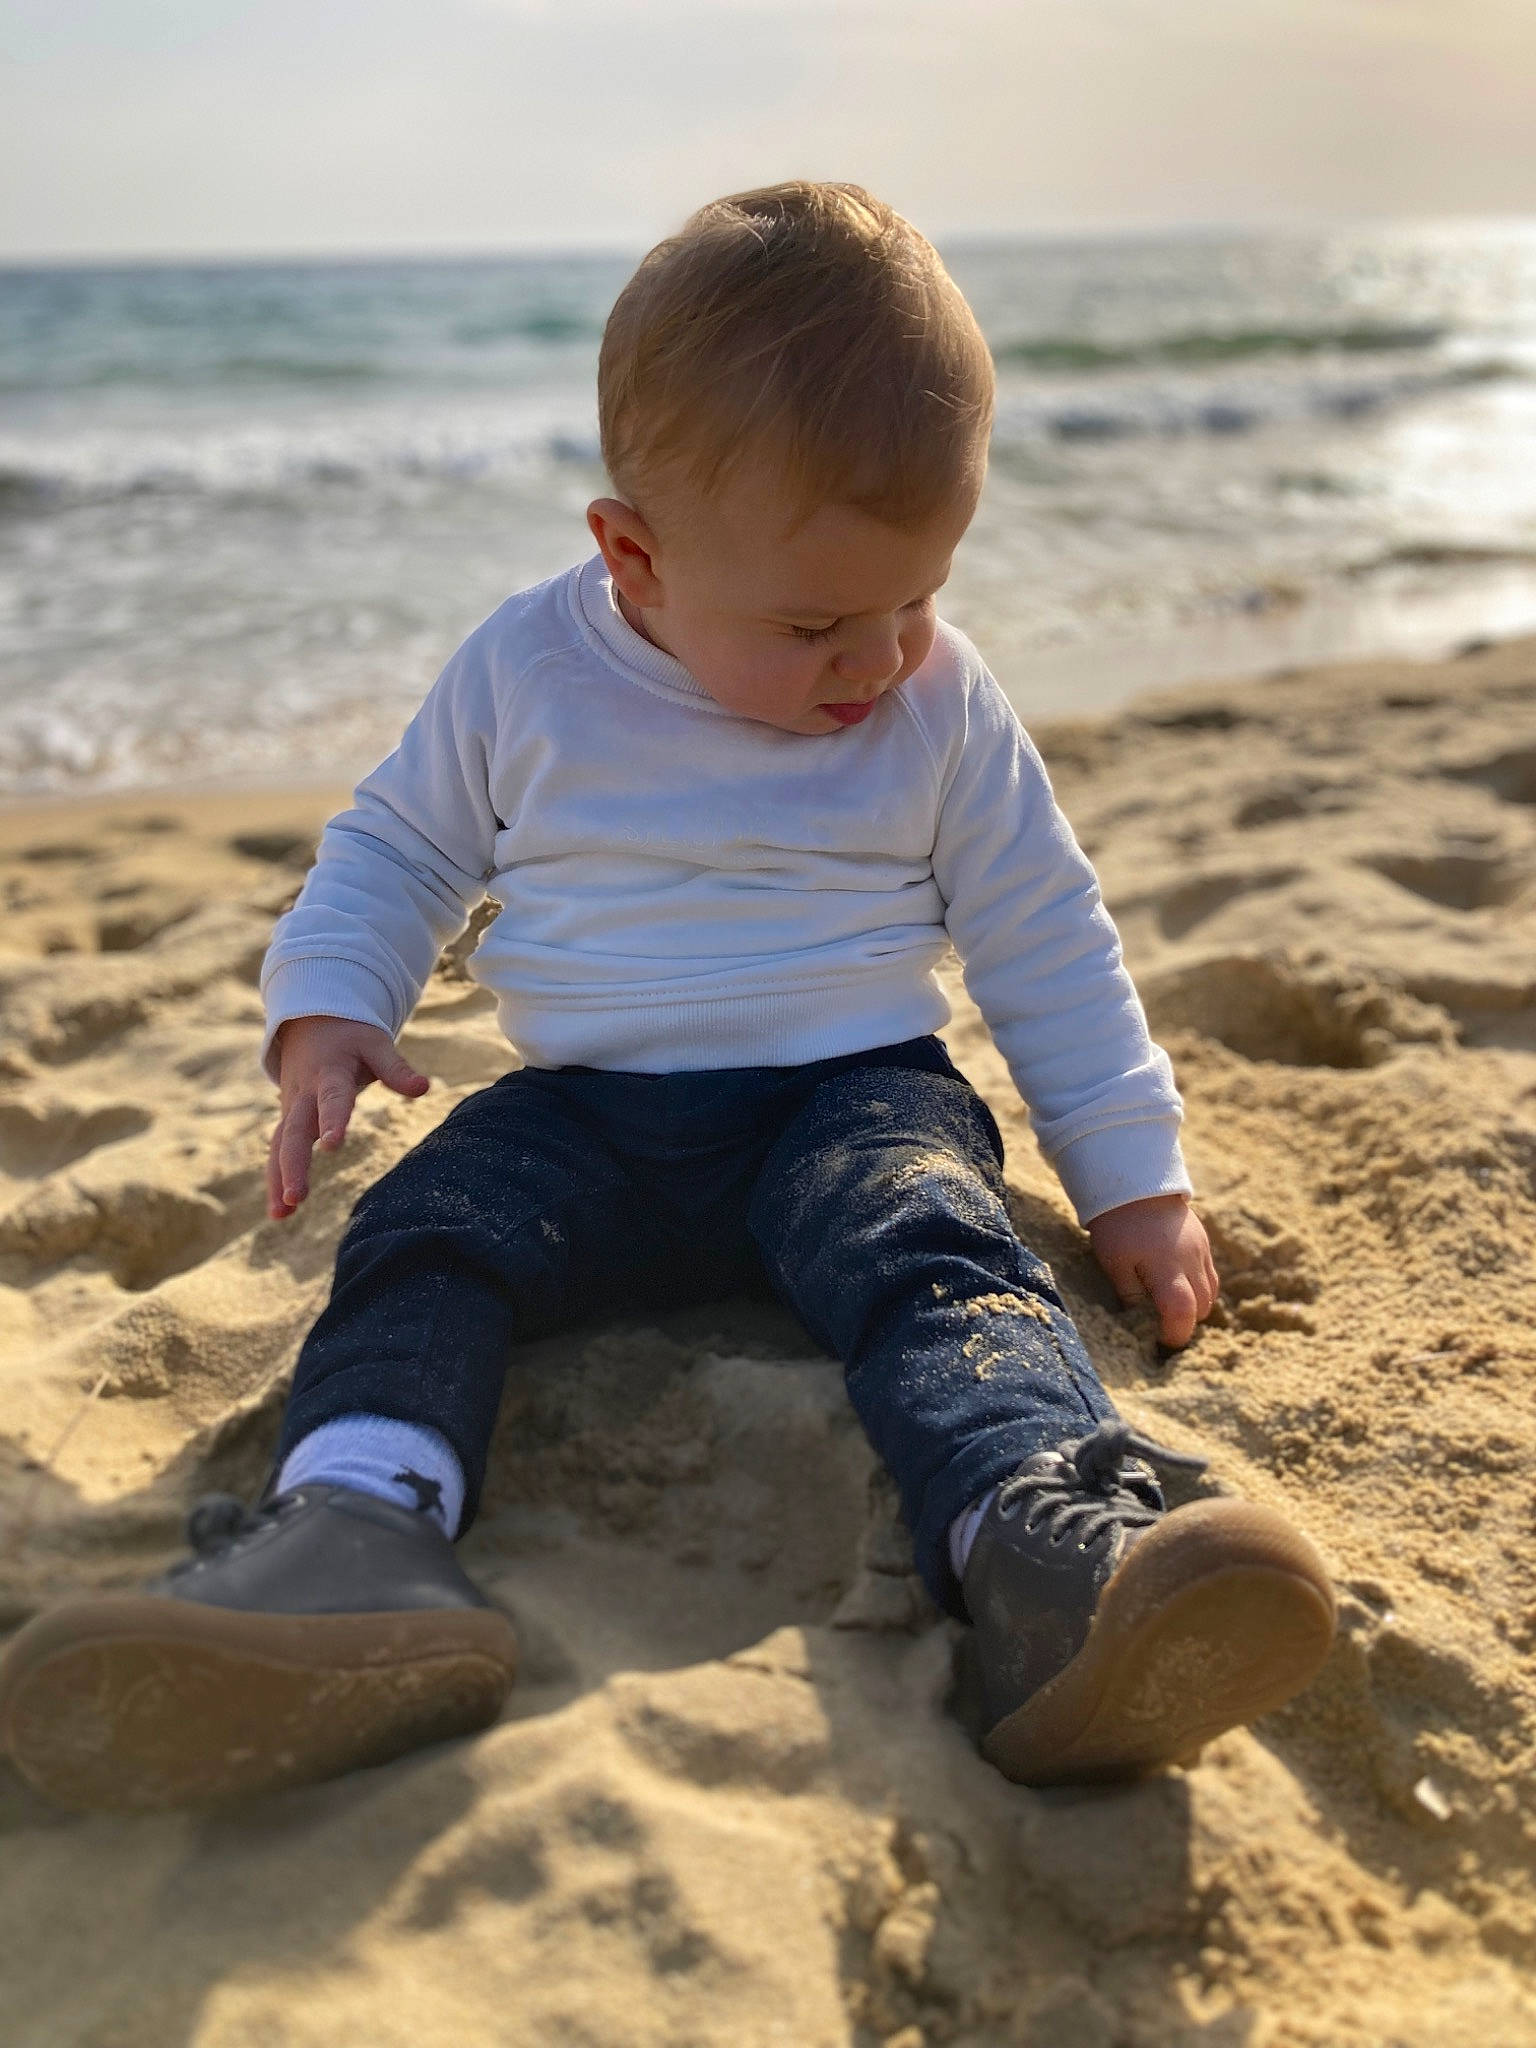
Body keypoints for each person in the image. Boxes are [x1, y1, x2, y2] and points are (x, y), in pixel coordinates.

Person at [0, 182, 1335, 1813]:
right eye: (816, 622)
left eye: (918, 597)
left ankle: (1043, 1545)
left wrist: (1135, 1177)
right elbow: (400, 842)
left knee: (937, 1252)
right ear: (634, 553)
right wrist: (331, 1004)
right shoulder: (526, 672)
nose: (882, 657)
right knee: (422, 1238)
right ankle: (356, 1531)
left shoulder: (942, 702)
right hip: (587, 1116)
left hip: (854, 1094)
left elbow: (1045, 929)